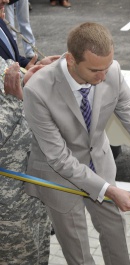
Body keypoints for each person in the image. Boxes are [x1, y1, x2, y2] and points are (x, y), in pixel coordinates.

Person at [22, 22, 130, 265]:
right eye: (95, 70)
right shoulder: (37, 90)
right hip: (59, 177)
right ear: (71, 60)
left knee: (116, 237)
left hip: (101, 167)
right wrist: (109, 191)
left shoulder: (111, 71)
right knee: (79, 252)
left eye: (107, 67)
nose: (103, 77)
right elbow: (59, 158)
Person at [0, 55, 50, 263]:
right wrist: (13, 101)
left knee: (38, 255)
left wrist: (26, 76)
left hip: (32, 190)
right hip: (8, 206)